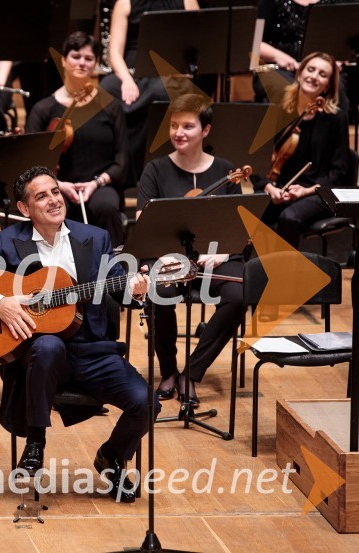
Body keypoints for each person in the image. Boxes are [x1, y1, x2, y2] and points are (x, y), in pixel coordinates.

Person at [0, 166, 154, 503]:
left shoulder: (95, 237)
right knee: (47, 345)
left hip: (93, 351)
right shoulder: (10, 242)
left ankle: (112, 457)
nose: (54, 200)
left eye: (55, 192)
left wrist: (138, 290)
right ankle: (35, 443)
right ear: (25, 209)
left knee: (147, 402)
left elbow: (118, 287)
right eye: (42, 196)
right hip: (41, 354)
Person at [136, 94, 246, 405]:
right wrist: (168, 257)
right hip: (168, 258)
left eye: (188, 126)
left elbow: (238, 224)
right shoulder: (155, 170)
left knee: (238, 295)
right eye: (174, 126)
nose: (178, 132)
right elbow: (145, 221)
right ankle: (169, 371)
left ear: (206, 130)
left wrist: (224, 253)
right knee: (158, 293)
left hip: (215, 258)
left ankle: (192, 373)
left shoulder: (226, 171)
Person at [26, 31, 129, 246]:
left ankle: (118, 271)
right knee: (54, 208)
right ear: (63, 60)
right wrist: (60, 186)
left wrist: (95, 183)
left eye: (89, 58)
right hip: (58, 187)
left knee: (107, 206)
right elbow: (33, 163)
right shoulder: (43, 109)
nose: (82, 63)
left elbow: (122, 160)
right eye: (76, 56)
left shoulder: (110, 106)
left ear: (95, 64)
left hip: (100, 185)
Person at [258, 52, 350, 251]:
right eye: (310, 69)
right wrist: (269, 187)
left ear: (327, 86)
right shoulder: (278, 110)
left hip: (318, 192)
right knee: (249, 211)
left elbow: (339, 172)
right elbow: (258, 160)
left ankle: (285, 275)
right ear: (299, 74)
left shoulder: (335, 119)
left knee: (289, 217)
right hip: (281, 188)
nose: (314, 76)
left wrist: (306, 191)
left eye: (322, 74)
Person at [100, 0, 199, 184]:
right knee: (106, 89)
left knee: (161, 91)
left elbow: (197, 41)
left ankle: (159, 173)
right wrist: (126, 80)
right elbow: (114, 53)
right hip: (132, 73)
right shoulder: (125, 3)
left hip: (169, 73)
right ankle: (118, 171)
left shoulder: (187, 1)